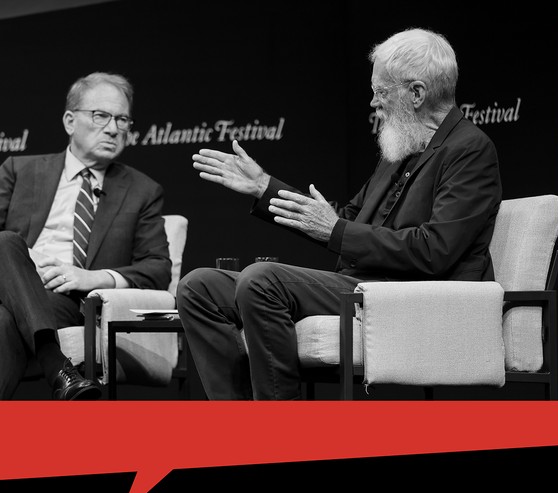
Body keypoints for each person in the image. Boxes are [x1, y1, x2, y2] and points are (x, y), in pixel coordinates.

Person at [178, 27, 502, 400]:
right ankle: (234, 425)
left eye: (381, 91)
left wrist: (334, 230)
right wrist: (265, 188)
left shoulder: (470, 150)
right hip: (360, 286)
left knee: (261, 280)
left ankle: (277, 431)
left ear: (417, 93)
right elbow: (346, 217)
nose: (372, 103)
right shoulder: (402, 149)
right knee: (198, 286)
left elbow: (435, 251)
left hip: (409, 294)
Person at [0, 72, 171, 400]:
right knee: (6, 242)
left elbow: (158, 268)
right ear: (69, 121)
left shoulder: (142, 191)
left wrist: (90, 277)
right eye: (100, 115)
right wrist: (21, 258)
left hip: (56, 300)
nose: (113, 128)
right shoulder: (19, 169)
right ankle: (54, 362)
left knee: (8, 318)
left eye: (122, 119)